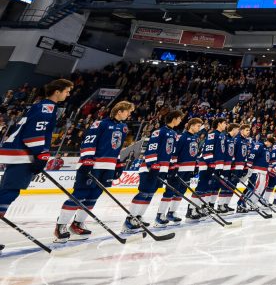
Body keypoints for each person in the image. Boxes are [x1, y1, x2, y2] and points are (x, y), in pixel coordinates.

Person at [0, 78, 73, 244]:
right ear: (57, 91)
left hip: (21, 154)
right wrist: (41, 154)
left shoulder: (43, 106)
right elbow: (33, 134)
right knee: (8, 193)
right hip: (22, 155)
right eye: (67, 91)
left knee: (7, 192)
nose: (68, 94)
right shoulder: (47, 107)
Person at [53, 101, 134, 242]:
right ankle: (61, 225)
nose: (129, 114)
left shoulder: (123, 127)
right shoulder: (100, 124)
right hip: (94, 164)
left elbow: (117, 147)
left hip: (108, 166)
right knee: (80, 194)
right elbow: (88, 142)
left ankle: (77, 223)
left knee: (94, 195)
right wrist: (87, 160)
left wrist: (119, 163)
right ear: (119, 111)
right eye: (128, 111)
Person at [125, 110, 183, 232]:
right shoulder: (159, 132)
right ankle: (129, 219)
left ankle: (139, 217)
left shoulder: (173, 133)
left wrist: (171, 165)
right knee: (144, 193)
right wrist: (152, 164)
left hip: (162, 168)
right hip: (149, 168)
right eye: (179, 119)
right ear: (174, 119)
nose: (180, 121)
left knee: (150, 193)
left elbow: (171, 151)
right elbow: (151, 148)